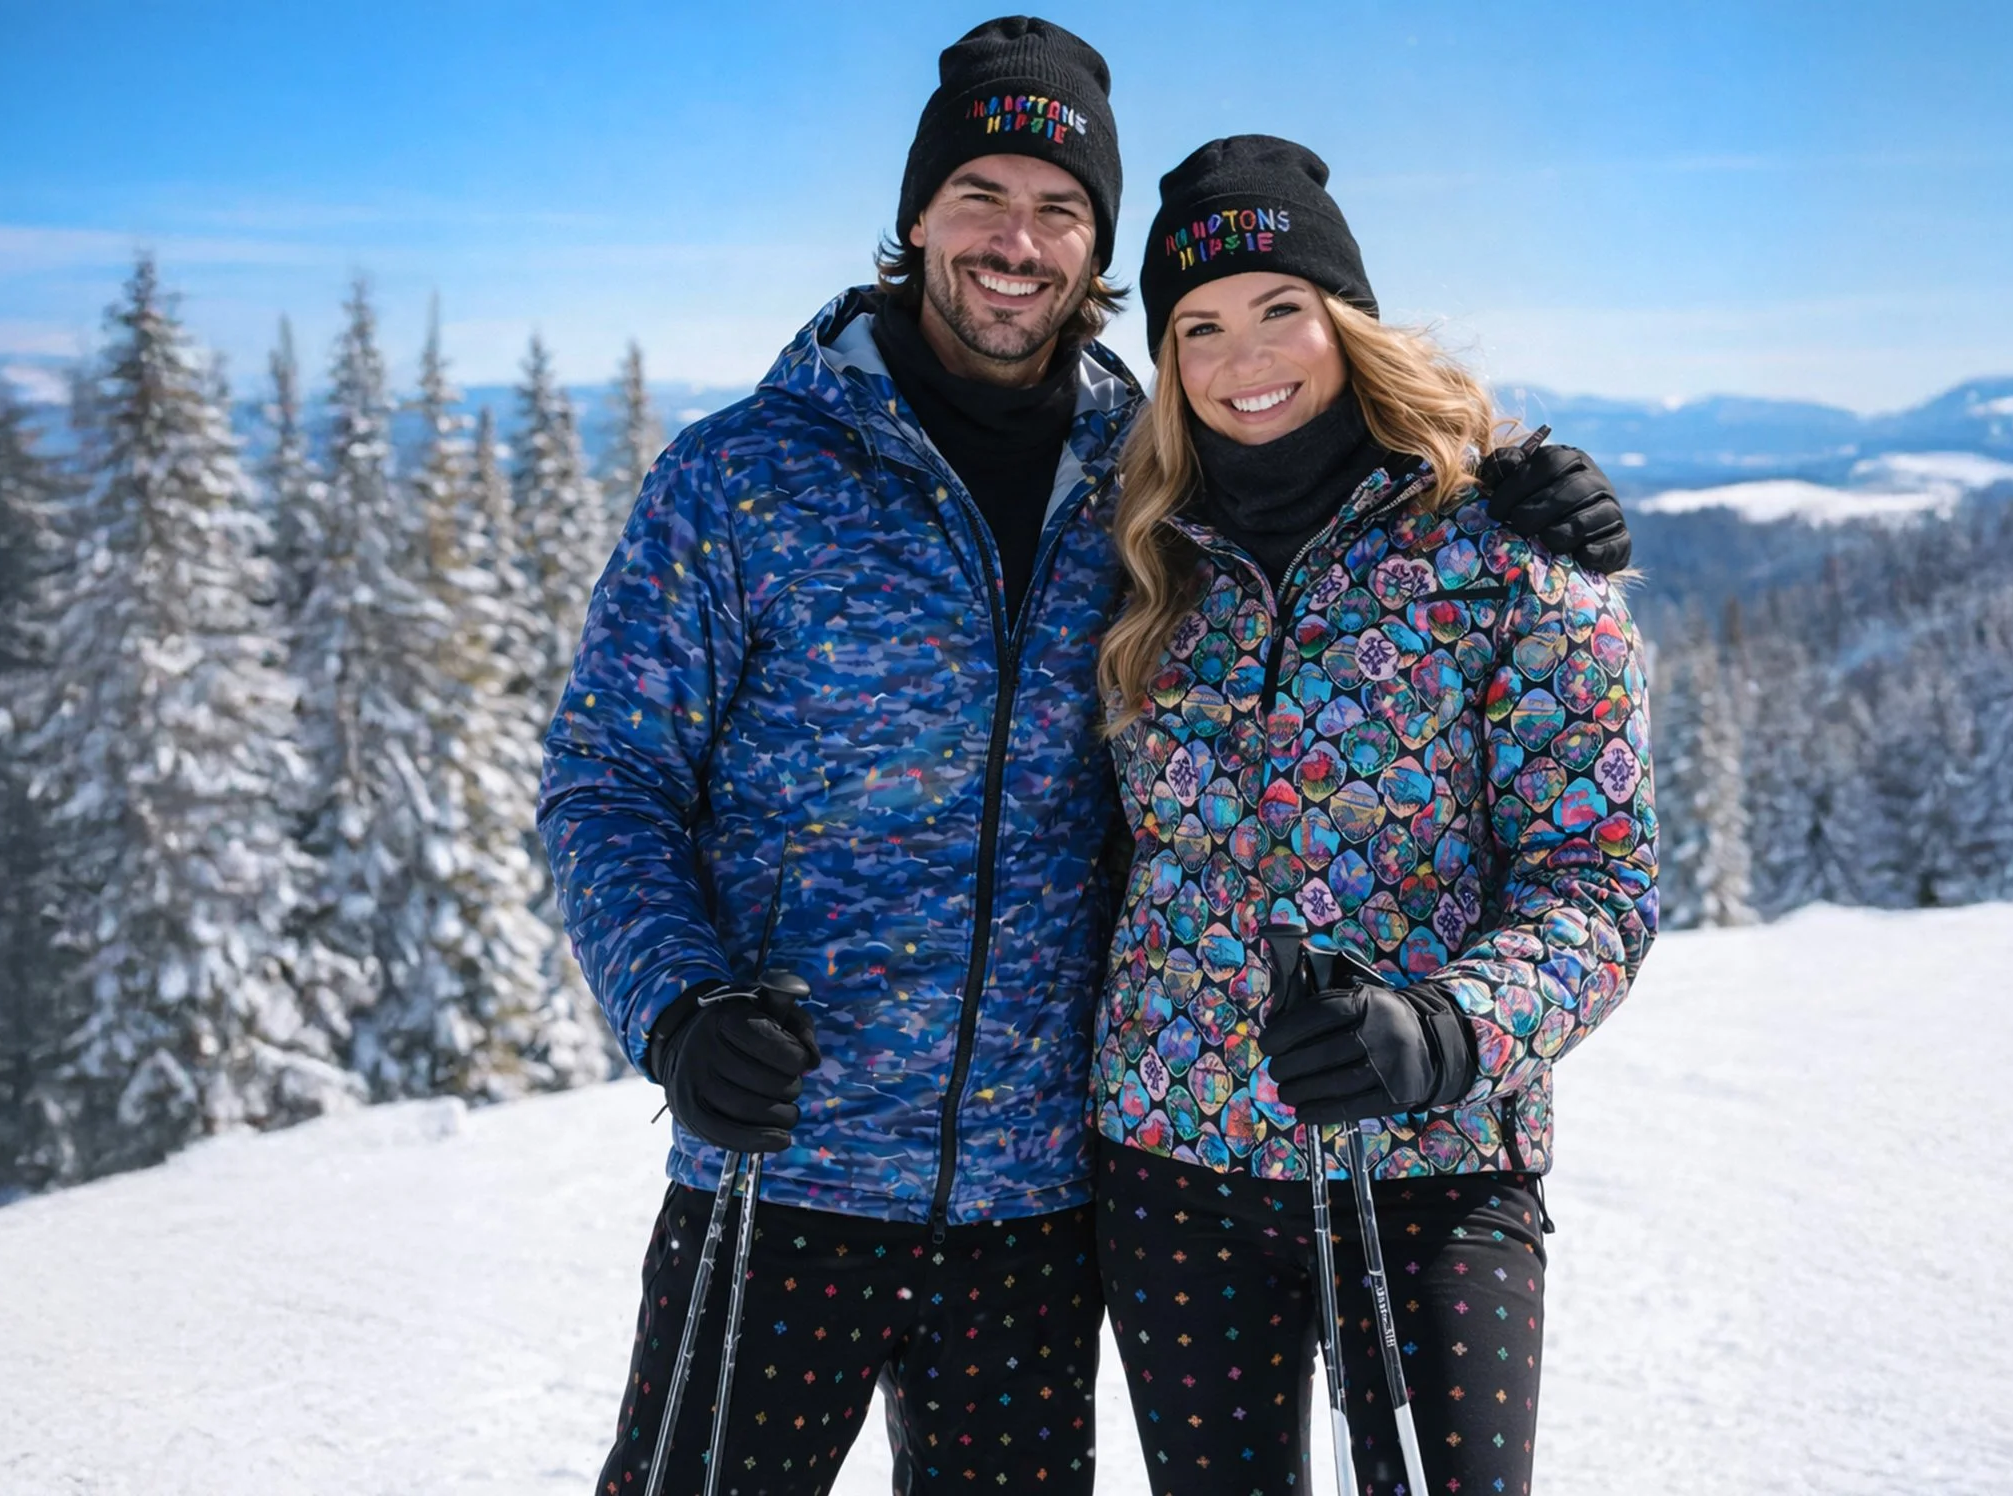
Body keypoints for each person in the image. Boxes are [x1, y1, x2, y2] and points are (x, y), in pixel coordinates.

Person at [541, 18, 1632, 1492]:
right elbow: (609, 782)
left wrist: (1515, 481)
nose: (1017, 239)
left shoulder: (1145, 477)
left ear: (1095, 249)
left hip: (1039, 1207)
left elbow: (1338, 497)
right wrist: (675, 1010)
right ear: (916, 214)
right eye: (981, 193)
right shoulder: (746, 480)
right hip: (788, 1159)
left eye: (1060, 209)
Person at [1091, 136, 1660, 1496]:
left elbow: (1599, 888)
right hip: (1174, 1159)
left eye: (1282, 307)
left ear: (1346, 320)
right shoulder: (1134, 555)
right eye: (1199, 329)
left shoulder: (1509, 551)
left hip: (1435, 1163)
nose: (1245, 359)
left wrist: (1447, 1032)